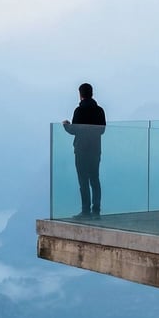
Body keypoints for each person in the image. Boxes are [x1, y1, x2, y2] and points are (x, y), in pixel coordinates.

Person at [62, 82, 106, 219]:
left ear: (80, 95)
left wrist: (66, 126)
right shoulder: (99, 111)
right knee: (95, 179)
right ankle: (96, 210)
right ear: (91, 93)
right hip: (95, 149)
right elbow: (102, 130)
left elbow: (75, 130)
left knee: (83, 181)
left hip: (81, 150)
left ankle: (86, 211)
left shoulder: (79, 111)